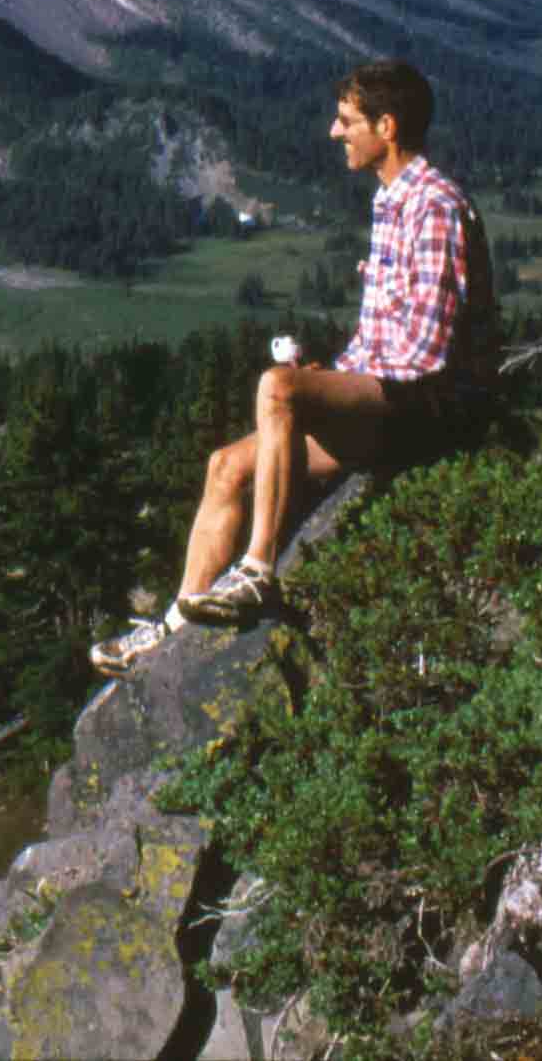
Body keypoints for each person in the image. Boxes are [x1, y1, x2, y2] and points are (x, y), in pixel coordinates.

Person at [91, 58, 471, 678]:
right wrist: (339, 375)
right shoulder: (392, 202)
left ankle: (257, 570)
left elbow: (426, 357)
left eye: (347, 121)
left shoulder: (434, 207)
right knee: (225, 467)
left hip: (419, 414)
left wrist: (327, 390)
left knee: (277, 386)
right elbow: (387, 338)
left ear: (388, 125)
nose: (333, 132)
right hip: (388, 400)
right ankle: (174, 629)